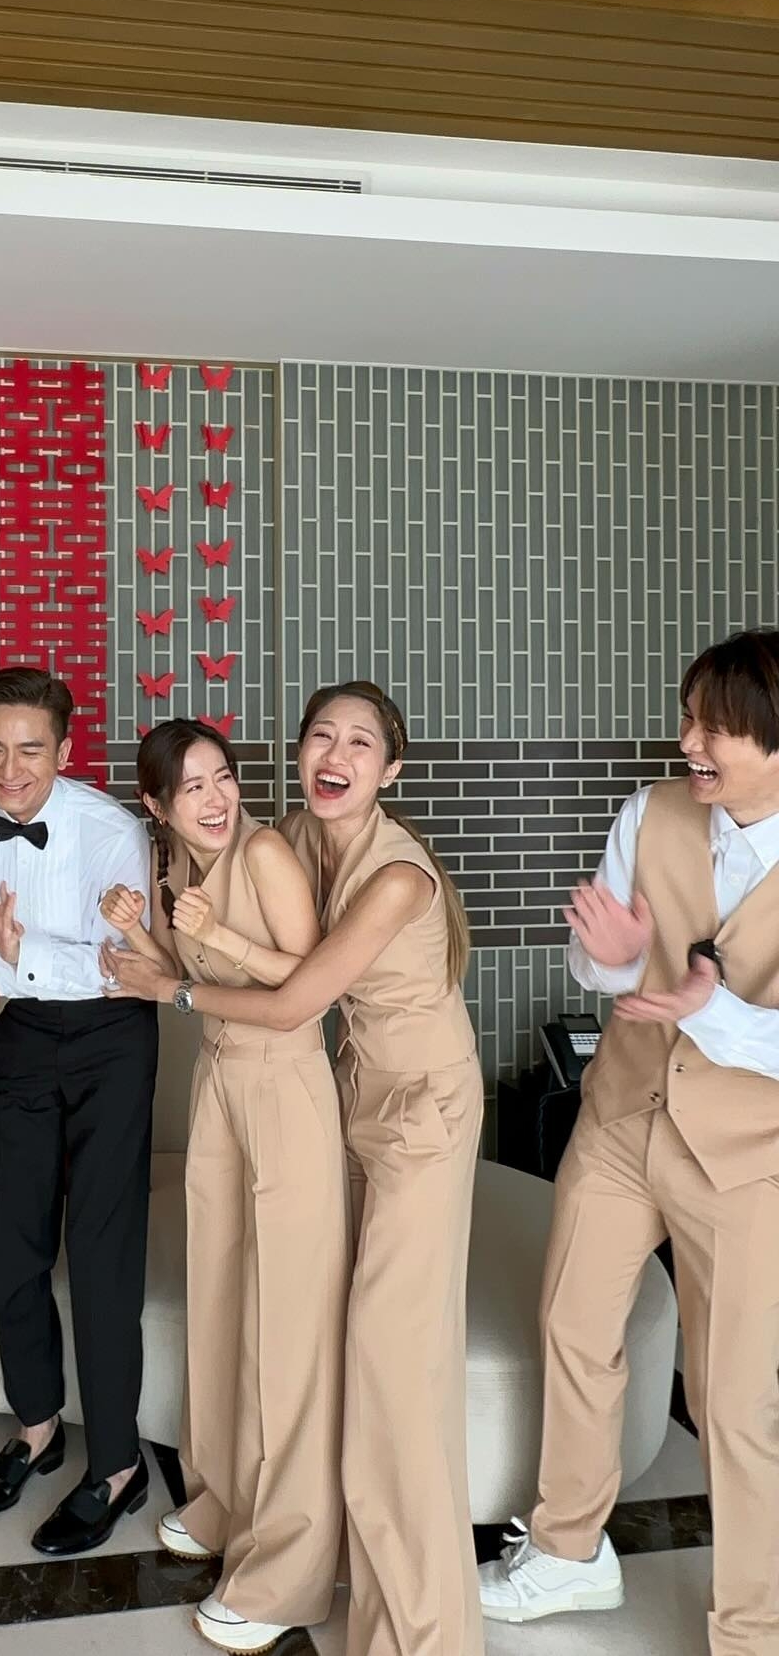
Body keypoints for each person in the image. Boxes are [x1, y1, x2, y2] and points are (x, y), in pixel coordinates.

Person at [102, 680, 483, 1656]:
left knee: (391, 1364)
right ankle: (267, 1520)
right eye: (322, 735)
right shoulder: (300, 837)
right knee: (286, 1320)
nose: (336, 754)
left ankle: (423, 1630)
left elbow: (294, 997)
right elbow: (224, 903)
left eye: (361, 742)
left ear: (392, 768)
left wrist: (175, 982)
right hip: (347, 1094)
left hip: (422, 1112)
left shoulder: (396, 878)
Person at [478, 628, 779, 1654]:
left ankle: (752, 1628)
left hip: (744, 1155)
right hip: (620, 1117)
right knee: (573, 1325)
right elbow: (597, 962)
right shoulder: (652, 810)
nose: (688, 741)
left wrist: (705, 1008)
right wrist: (613, 961)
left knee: (734, 1398)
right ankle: (569, 1549)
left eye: (714, 726)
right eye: (689, 716)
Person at [99, 720, 348, 1655]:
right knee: (218, 1301)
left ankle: (288, 1567)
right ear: (157, 806)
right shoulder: (174, 868)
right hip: (218, 1085)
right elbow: (175, 978)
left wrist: (221, 936)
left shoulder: (267, 853)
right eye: (192, 787)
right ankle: (223, 1499)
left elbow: (312, 984)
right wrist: (138, 928)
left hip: (284, 1086)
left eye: (223, 778)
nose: (215, 799)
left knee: (287, 1325)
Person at [0, 666, 159, 1556]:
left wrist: (19, 953)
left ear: (65, 749)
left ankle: (118, 1465)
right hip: (20, 1035)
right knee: (8, 1249)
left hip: (113, 1037)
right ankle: (37, 1426)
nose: (10, 769)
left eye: (31, 749)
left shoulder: (111, 830)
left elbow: (119, 966)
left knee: (101, 1253)